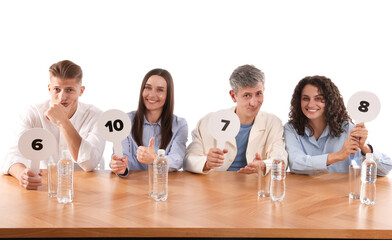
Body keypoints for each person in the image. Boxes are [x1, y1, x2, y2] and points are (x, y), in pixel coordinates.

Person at [1, 60, 106, 189]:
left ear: (81, 91)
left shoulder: (96, 116)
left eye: (69, 90)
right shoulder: (33, 113)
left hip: (87, 188)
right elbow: (11, 155)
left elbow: (89, 163)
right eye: (57, 89)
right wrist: (21, 173)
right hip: (43, 186)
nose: (62, 97)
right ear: (49, 89)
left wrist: (63, 122)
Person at [184, 64, 287, 174]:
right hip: (214, 186)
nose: (254, 102)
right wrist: (206, 163)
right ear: (233, 96)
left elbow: (281, 160)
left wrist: (264, 165)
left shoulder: (273, 123)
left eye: (258, 93)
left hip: (253, 186)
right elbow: (188, 160)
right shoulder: (207, 121)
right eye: (247, 95)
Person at [284, 75, 392, 175]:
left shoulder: (347, 129)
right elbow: (295, 164)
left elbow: (385, 169)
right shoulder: (291, 129)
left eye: (318, 98)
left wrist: (364, 147)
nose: (311, 104)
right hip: (305, 193)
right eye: (305, 98)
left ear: (329, 101)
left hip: (340, 193)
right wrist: (338, 155)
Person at [110, 68, 188, 176]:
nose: (151, 94)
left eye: (160, 90)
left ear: (168, 95)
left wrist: (155, 159)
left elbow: (178, 159)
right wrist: (119, 166)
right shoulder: (125, 121)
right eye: (148, 88)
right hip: (131, 185)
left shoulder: (179, 125)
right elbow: (122, 155)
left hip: (162, 186)